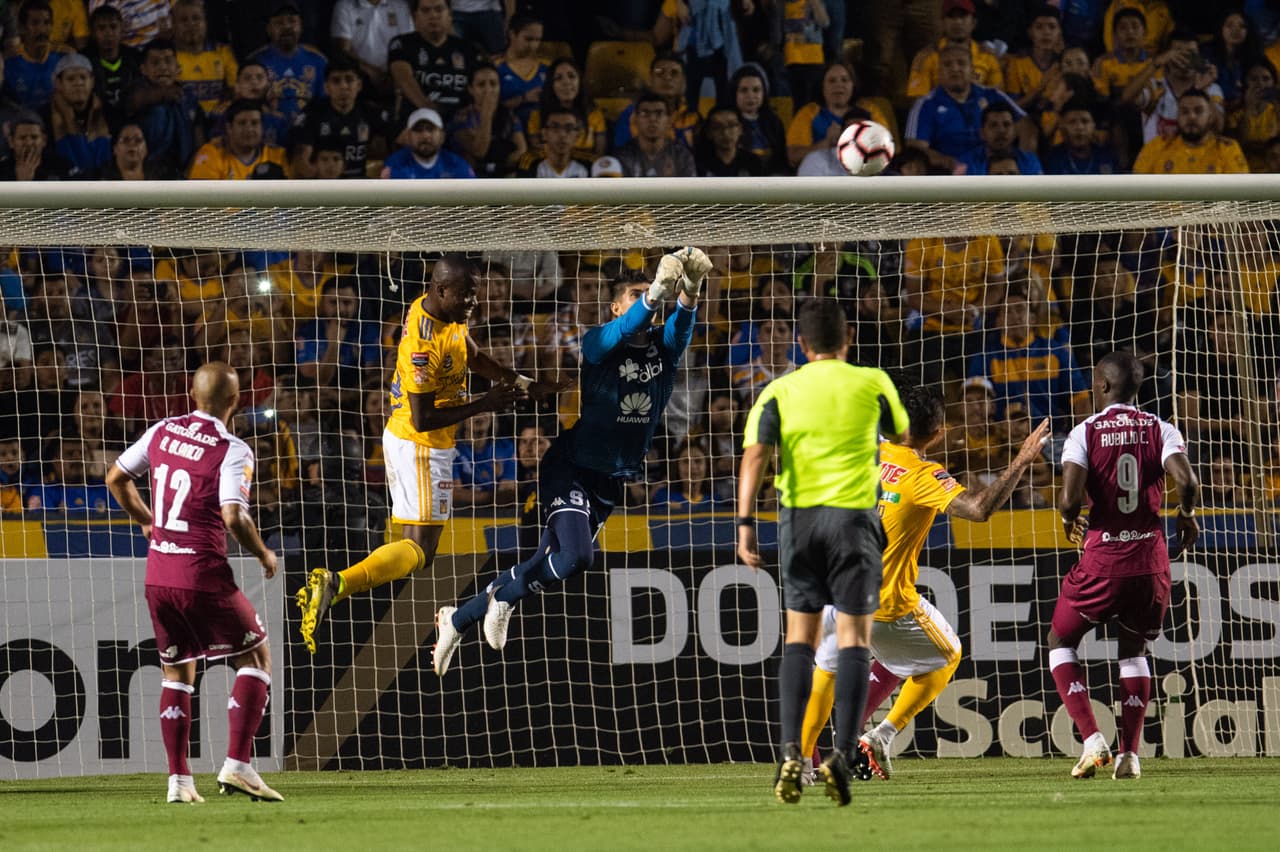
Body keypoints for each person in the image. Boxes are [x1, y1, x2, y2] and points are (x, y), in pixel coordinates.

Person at [431, 247, 711, 676]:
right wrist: (655, 291)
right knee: (579, 557)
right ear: (616, 306)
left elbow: (683, 323)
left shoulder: (664, 349)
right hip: (571, 464)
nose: (643, 302)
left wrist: (690, 286)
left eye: (646, 294)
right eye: (632, 295)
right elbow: (635, 320)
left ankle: (457, 618)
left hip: (610, 479)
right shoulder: (597, 342)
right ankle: (501, 600)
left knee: (544, 563)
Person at [295, 255, 562, 654]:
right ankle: (336, 583)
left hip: (414, 442)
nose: (475, 301)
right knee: (421, 550)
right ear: (441, 290)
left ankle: (338, 583)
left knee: (415, 546)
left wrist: (523, 383)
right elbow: (423, 418)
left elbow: (472, 355)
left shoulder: (444, 310)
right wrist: (484, 402)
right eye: (468, 294)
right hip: (419, 444)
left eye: (476, 292)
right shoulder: (423, 345)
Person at [798, 385, 1050, 782]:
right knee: (947, 654)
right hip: (885, 607)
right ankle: (880, 735)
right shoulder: (923, 475)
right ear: (938, 433)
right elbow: (980, 510)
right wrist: (1022, 458)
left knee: (825, 674)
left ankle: (800, 766)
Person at [736, 298, 910, 807]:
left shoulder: (779, 389)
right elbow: (899, 432)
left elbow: (754, 458)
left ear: (802, 344)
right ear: (848, 337)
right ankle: (839, 754)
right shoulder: (873, 382)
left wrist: (746, 525)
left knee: (800, 640)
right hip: (854, 521)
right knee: (855, 638)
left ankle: (792, 752)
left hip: (800, 521)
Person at [104, 361, 284, 803]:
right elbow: (233, 515)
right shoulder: (233, 448)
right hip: (201, 573)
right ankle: (238, 765)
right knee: (257, 659)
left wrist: (148, 522)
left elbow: (115, 477)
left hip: (158, 574)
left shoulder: (163, 430)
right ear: (237, 400)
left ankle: (179, 782)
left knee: (177, 671)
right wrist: (262, 552)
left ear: (192, 393)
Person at [1050, 350, 1199, 781]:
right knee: (1133, 653)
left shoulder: (1085, 431)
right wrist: (1185, 514)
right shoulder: (1160, 428)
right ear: (1138, 388)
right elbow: (1187, 481)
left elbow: (1070, 500)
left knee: (1060, 641)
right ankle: (1130, 756)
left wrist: (1067, 519)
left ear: (1102, 386)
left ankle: (1092, 739)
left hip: (1102, 561)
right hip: (1150, 564)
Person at [381, 105, 476, 178]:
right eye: (418, 130)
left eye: (430, 129)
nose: (425, 135)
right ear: (408, 136)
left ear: (442, 136)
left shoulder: (456, 164)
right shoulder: (395, 163)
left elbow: (473, 198)